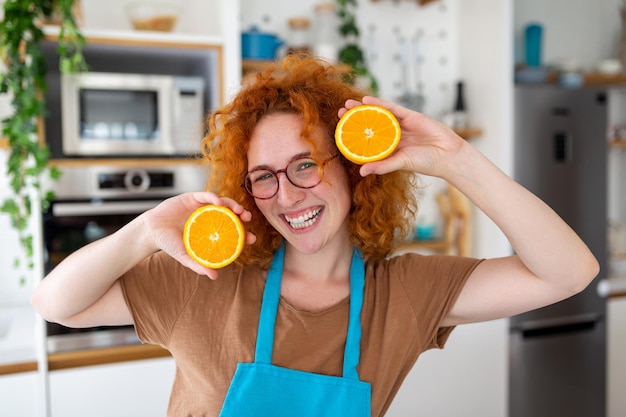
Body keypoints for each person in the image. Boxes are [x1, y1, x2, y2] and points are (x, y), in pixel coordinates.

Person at [31, 55, 599, 417]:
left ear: (354, 168)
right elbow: (56, 304)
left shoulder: (403, 293)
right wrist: (141, 234)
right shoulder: (202, 281)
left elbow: (569, 271)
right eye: (264, 177)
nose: (288, 194)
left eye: (306, 165)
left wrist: (458, 161)